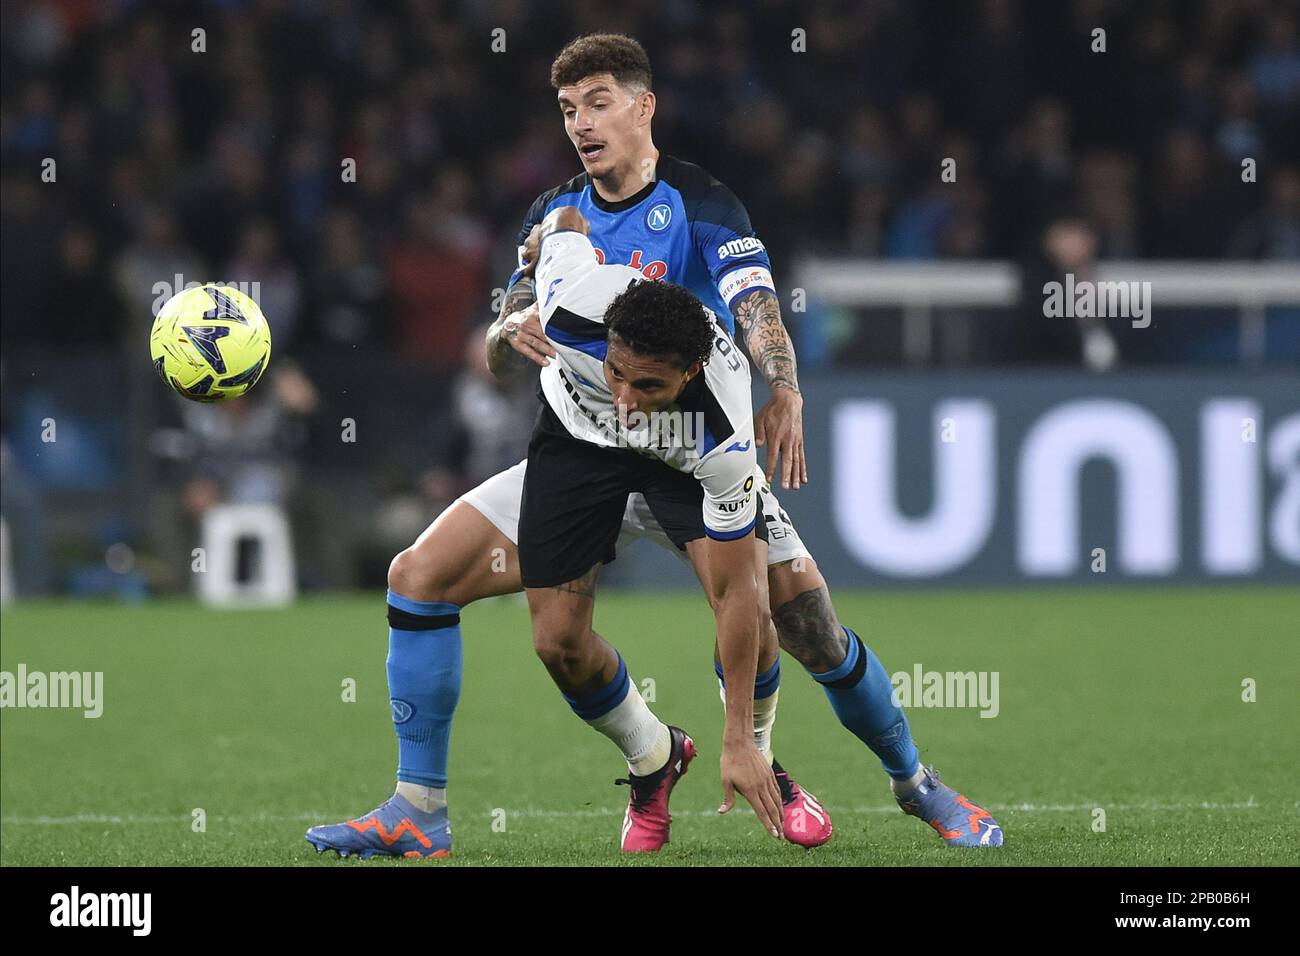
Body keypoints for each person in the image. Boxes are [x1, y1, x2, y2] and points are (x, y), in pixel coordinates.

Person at [307, 33, 1001, 858]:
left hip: (691, 438)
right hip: (580, 440)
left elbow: (757, 309)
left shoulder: (705, 208)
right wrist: (507, 334)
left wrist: (784, 385)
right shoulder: (555, 224)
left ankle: (913, 784)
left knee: (804, 619)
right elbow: (501, 338)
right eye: (568, 110)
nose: (581, 124)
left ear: (645, 106)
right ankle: (502, 791)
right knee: (442, 590)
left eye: (598, 102)